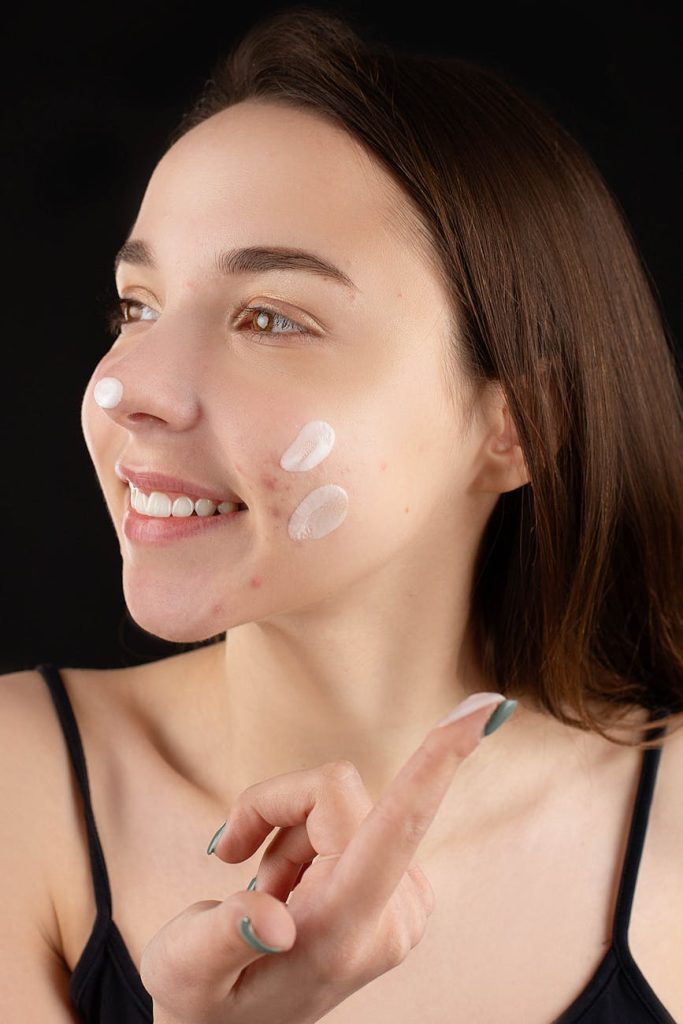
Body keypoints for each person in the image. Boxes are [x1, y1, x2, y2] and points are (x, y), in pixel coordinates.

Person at [2, 6, 682, 1023]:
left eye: (269, 317)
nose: (125, 386)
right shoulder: (16, 786)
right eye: (136, 306)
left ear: (519, 427)